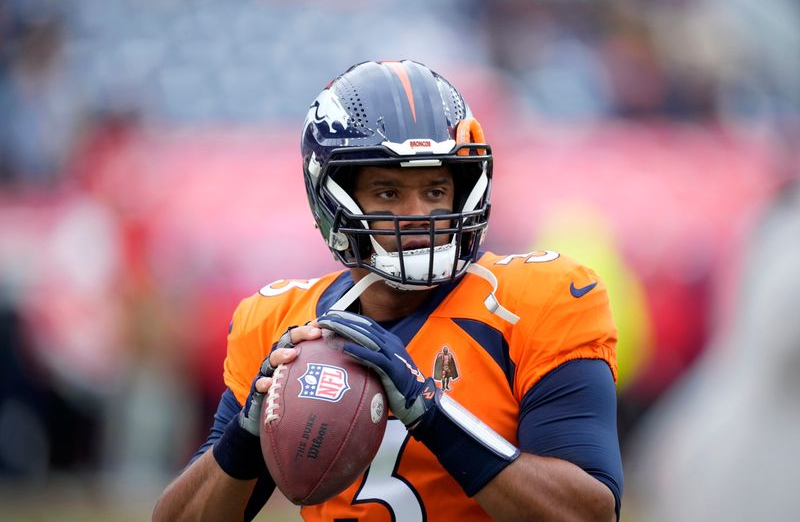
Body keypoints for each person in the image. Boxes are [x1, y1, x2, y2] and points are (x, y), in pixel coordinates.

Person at [153, 60, 623, 521]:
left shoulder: (538, 299)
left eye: (436, 191)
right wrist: (244, 440)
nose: (419, 214)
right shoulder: (282, 322)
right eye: (388, 192)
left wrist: (433, 414)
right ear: (332, 196)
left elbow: (589, 513)